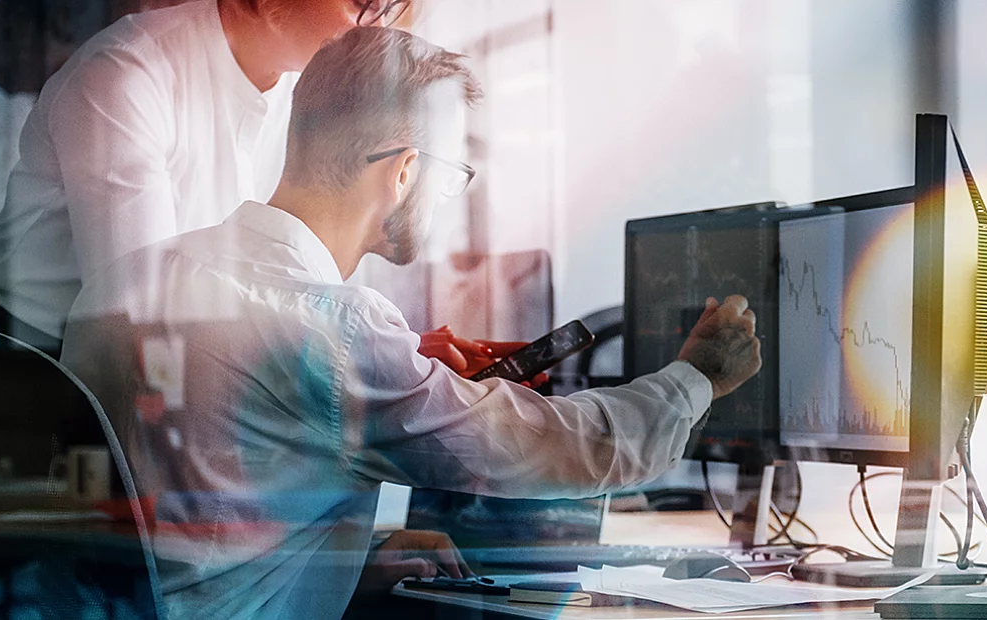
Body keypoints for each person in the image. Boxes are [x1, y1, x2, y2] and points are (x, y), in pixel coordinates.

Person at [60, 27, 763, 619]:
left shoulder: (127, 281)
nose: (450, 197)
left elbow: (183, 531)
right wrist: (695, 378)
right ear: (403, 172)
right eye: (454, 173)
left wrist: (343, 558)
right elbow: (551, 447)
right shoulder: (331, 326)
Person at [0, 0, 415, 353]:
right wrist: (348, 359)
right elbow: (142, 306)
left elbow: (288, 271)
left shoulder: (303, 90)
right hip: (23, 358)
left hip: (169, 356)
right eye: (362, 3)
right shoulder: (127, 73)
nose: (377, 27)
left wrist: (379, 357)